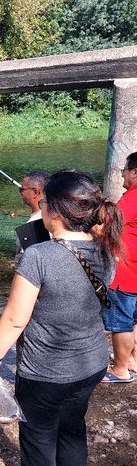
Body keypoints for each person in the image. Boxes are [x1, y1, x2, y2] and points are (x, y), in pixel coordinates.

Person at [0, 170, 122, 466]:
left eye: (43, 203)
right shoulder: (107, 251)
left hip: (46, 372)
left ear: (56, 213)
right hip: (91, 363)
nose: (40, 209)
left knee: (39, 441)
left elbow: (15, 319)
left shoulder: (38, 256)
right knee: (73, 427)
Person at [102, 152, 137, 383]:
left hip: (125, 272)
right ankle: (133, 360)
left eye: (125, 169)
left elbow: (107, 225)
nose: (122, 173)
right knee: (134, 320)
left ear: (135, 172)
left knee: (121, 323)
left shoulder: (131, 199)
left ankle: (120, 369)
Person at [15, 170, 51, 265]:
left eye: (22, 189)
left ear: (35, 192)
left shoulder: (34, 224)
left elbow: (28, 263)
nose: (21, 193)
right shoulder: (56, 217)